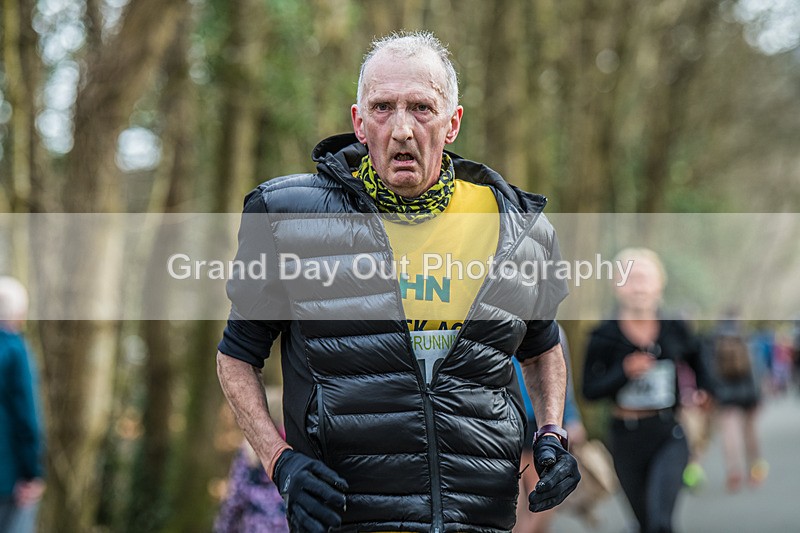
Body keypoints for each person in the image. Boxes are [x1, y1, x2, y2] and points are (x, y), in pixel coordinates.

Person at [216, 31, 580, 532]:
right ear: (358, 123)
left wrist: (553, 434)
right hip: (345, 515)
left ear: (453, 123)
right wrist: (280, 461)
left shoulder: (519, 228)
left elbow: (542, 349)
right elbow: (236, 356)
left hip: (477, 515)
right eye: (383, 107)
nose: (402, 129)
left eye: (422, 108)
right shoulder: (284, 218)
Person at [581, 248, 712, 533]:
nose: (638, 286)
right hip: (624, 437)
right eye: (630, 278)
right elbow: (589, 391)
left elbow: (701, 360)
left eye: (644, 278)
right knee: (644, 522)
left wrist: (702, 390)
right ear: (616, 285)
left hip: (668, 433)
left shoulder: (674, 328)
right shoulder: (604, 334)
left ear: (659, 284)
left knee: (660, 521)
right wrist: (624, 372)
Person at [513, 324, 588, 533]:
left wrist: (572, 418)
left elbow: (563, 383)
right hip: (508, 422)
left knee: (542, 496)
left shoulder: (554, 330)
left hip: (540, 423)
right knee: (515, 502)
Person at [0, 277, 45, 533]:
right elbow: (26, 417)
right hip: (8, 480)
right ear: (19, 314)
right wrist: (32, 474)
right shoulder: (16, 351)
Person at [707, 319, 767, 492]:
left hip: (726, 398)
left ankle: (734, 470)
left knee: (729, 434)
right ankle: (755, 469)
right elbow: (756, 373)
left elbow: (711, 375)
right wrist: (758, 397)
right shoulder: (746, 342)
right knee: (750, 433)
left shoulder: (714, 346)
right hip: (748, 396)